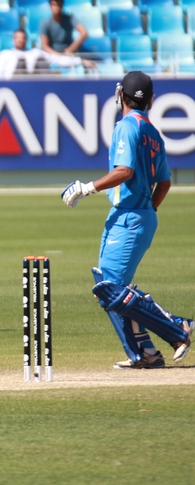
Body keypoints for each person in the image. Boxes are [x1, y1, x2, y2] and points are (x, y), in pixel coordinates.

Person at [62, 71, 193, 369]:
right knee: (107, 286)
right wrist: (149, 210)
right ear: (151, 100)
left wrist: (87, 188)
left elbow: (125, 171)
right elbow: (165, 183)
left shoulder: (126, 127)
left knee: (111, 288)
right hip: (136, 215)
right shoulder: (152, 132)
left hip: (129, 217)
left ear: (121, 95)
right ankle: (145, 354)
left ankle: (177, 327)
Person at [0, 29, 96, 79]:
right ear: (13, 40)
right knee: (20, 62)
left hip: (35, 82)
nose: (20, 40)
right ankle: (19, 76)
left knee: (41, 60)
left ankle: (49, 81)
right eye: (18, 38)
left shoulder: (34, 53)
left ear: (26, 40)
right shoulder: (5, 54)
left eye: (23, 38)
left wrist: (81, 61)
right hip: (13, 83)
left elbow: (58, 60)